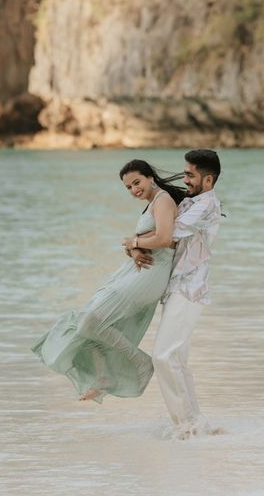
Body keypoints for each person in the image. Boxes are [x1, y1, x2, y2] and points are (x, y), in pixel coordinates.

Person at [31, 160, 187, 403]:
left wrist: (133, 242)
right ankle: (104, 376)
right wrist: (133, 247)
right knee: (87, 322)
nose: (134, 189)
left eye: (137, 182)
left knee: (90, 320)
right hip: (137, 270)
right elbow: (149, 237)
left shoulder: (163, 199)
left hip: (151, 274)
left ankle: (140, 362)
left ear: (150, 178)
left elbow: (165, 238)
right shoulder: (151, 205)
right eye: (128, 187)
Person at [128, 149, 223, 439]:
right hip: (177, 287)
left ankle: (187, 424)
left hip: (190, 288)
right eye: (185, 172)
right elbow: (164, 237)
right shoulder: (193, 201)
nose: (185, 179)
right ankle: (193, 423)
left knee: (163, 356)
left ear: (209, 180)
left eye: (191, 175)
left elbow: (168, 234)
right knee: (175, 358)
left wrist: (131, 241)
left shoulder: (207, 204)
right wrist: (137, 245)